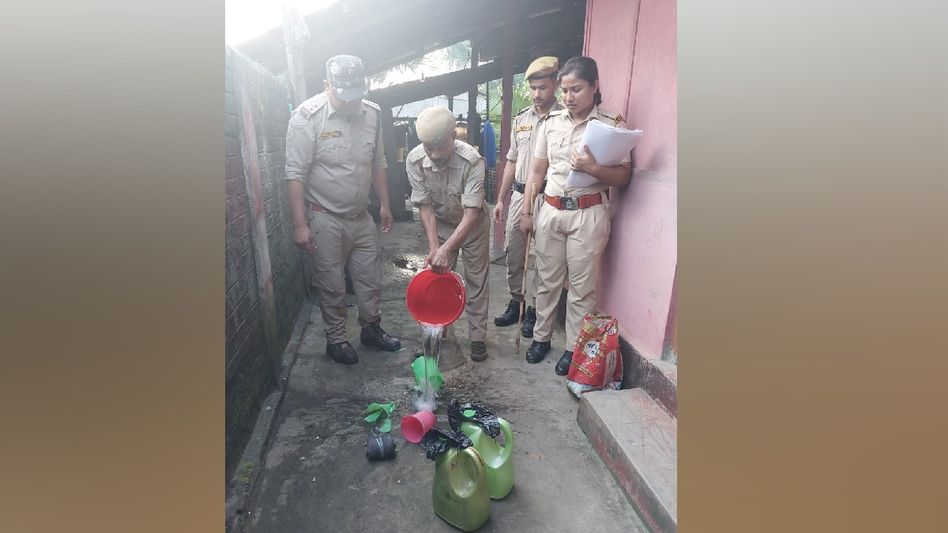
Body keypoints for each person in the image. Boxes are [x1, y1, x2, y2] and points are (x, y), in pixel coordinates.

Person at [284, 54, 401, 365]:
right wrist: (300, 225)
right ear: (327, 85)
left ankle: (371, 329)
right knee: (332, 283)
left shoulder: (372, 114)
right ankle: (336, 339)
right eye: (343, 95)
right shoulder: (306, 118)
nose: (351, 103)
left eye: (355, 94)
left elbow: (378, 163)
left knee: (370, 278)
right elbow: (295, 174)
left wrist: (386, 205)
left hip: (361, 216)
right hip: (324, 217)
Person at [520, 56, 632, 375]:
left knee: (583, 289)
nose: (569, 97)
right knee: (547, 280)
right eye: (566, 90)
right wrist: (527, 211)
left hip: (589, 212)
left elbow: (624, 176)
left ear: (595, 86)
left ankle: (573, 348)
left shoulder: (612, 125)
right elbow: (537, 172)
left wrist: (594, 169)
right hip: (551, 211)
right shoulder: (551, 122)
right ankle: (541, 338)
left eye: (577, 89)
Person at [406, 106, 491, 362]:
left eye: (437, 148)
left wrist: (447, 249)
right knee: (437, 279)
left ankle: (477, 339)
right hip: (441, 224)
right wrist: (435, 248)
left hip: (472, 225)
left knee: (476, 280)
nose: (432, 155)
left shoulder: (472, 161)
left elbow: (472, 213)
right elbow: (425, 207)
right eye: (427, 148)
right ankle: (437, 333)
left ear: (454, 135)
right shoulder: (414, 160)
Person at [491, 56, 564, 338]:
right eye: (533, 88)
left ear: (555, 85)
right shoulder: (521, 119)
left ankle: (533, 309)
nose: (536, 94)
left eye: (542, 87)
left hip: (549, 198)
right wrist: (500, 199)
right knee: (514, 251)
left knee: (542, 256)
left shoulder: (562, 120)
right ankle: (516, 301)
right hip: (521, 194)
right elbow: (511, 160)